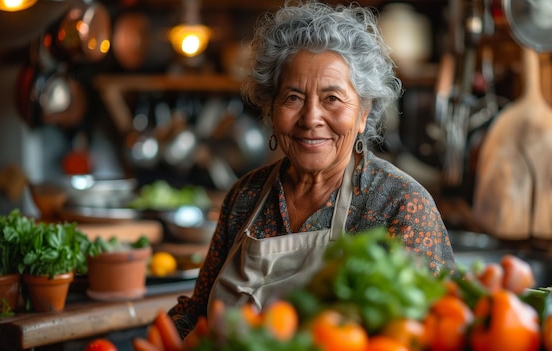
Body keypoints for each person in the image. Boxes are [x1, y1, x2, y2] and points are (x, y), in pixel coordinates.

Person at [168, 0, 455, 339]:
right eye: (293, 97)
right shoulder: (245, 197)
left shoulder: (400, 204)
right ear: (271, 108)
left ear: (363, 113)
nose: (310, 118)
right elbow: (198, 315)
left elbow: (436, 331)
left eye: (332, 98)